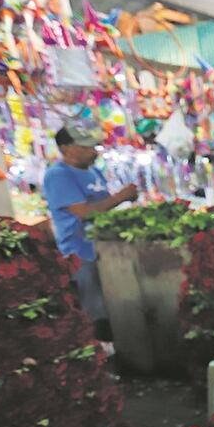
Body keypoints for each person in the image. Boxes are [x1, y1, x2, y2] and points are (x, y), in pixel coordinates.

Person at [43, 125, 139, 341]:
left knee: (118, 309)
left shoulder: (93, 171)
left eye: (93, 146)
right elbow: (83, 212)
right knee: (96, 314)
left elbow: (102, 207)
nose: (93, 151)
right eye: (85, 147)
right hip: (81, 253)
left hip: (106, 250)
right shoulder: (58, 175)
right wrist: (120, 197)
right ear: (66, 148)